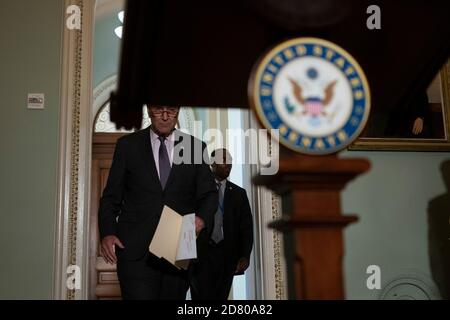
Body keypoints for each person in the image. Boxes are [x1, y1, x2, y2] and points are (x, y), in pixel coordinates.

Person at [98, 106, 218, 300]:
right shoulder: (127, 146)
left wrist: (201, 219)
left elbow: (210, 195)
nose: (164, 116)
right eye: (158, 110)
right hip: (135, 254)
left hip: (177, 252)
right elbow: (111, 197)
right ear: (149, 110)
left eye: (170, 110)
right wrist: (108, 232)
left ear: (178, 111)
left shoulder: (195, 148)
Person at [190, 148, 254, 300]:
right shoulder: (198, 190)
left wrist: (245, 255)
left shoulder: (239, 194)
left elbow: (246, 228)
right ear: (212, 164)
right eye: (224, 160)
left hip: (227, 256)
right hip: (201, 254)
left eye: (230, 161)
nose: (229, 164)